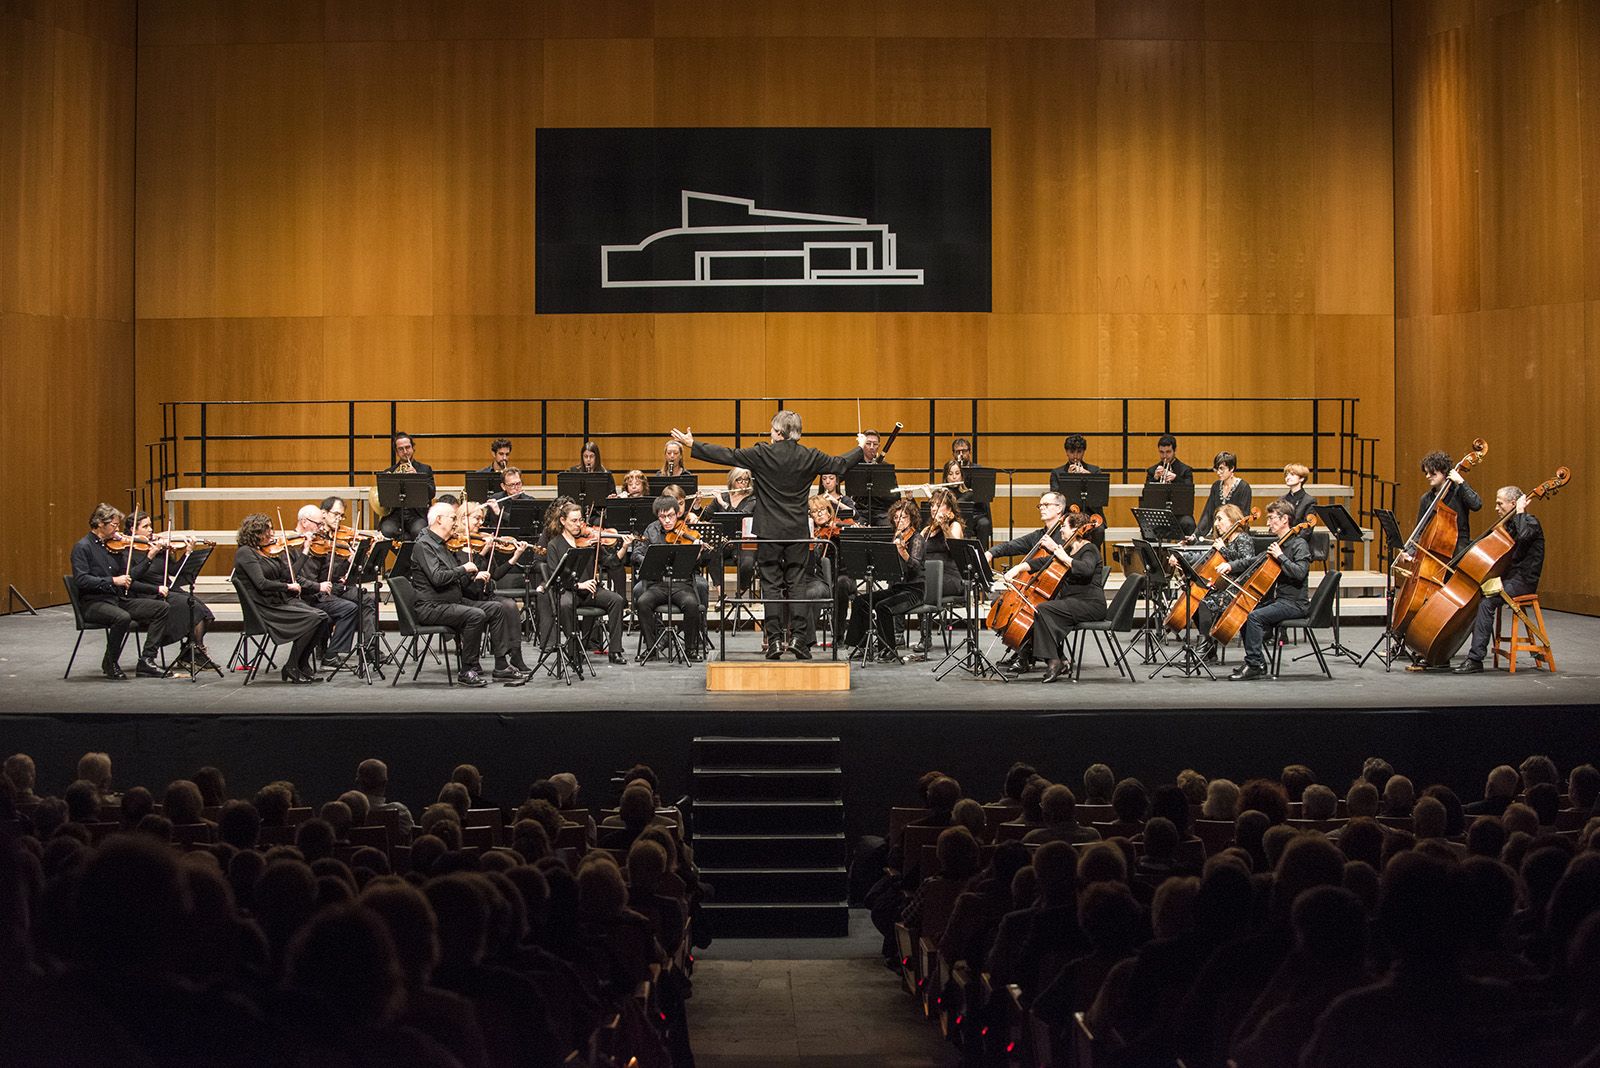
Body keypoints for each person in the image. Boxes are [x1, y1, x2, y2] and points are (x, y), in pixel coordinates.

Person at [674, 410, 864, 659]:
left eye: (773, 429)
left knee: (771, 586)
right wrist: (860, 448)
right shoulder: (810, 455)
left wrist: (693, 445)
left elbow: (728, 455)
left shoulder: (763, 453)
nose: (771, 433)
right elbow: (840, 464)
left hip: (769, 531)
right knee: (797, 584)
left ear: (779, 432)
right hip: (797, 531)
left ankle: (774, 641)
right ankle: (798, 638)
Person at [71, 503, 172, 679]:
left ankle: (147, 660)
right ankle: (110, 662)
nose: (117, 529)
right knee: (122, 617)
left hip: (116, 599)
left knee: (161, 608)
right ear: (100, 523)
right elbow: (81, 580)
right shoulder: (83, 547)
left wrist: (149, 557)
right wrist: (112, 580)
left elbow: (129, 577)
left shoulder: (112, 546)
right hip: (94, 602)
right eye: (114, 525)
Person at [233, 512, 333, 683]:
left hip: (279, 601)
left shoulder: (267, 551)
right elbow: (261, 583)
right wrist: (287, 587)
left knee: (323, 618)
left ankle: (301, 664)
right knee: (313, 617)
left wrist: (305, 550)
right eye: (268, 530)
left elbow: (290, 574)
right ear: (255, 532)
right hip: (265, 608)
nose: (273, 533)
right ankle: (292, 666)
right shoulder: (245, 553)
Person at [1455, 486, 1543, 674]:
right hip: (1509, 578)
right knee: (1477, 593)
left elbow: (1525, 536)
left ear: (1513, 503)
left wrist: (1520, 510)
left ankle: (1475, 659)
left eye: (1499, 503)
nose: (1496, 508)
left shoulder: (1530, 522)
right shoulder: (1510, 526)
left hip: (1523, 581)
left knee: (1487, 603)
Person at [1224, 498, 1312, 680]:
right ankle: (1257, 661)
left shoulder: (1299, 544)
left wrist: (1281, 557)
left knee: (1255, 617)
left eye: (1272, 518)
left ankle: (1254, 664)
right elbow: (1253, 560)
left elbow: (1300, 573)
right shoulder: (1279, 544)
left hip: (1295, 604)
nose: (1268, 522)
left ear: (1284, 519)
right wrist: (1230, 566)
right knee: (1244, 612)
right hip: (1281, 601)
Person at [124, 509, 218, 674]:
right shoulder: (128, 551)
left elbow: (175, 570)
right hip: (149, 593)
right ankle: (190, 653)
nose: (151, 530)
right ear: (133, 529)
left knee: (204, 611)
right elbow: (133, 577)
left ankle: (191, 651)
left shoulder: (157, 547)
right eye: (145, 526)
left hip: (169, 589)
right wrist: (150, 556)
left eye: (150, 526)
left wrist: (188, 552)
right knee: (192, 607)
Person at [408, 502, 492, 687]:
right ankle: (467, 670)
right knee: (475, 615)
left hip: (450, 601)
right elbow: (438, 578)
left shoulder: (444, 545)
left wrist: (471, 574)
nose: (456, 523)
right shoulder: (423, 545)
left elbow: (456, 580)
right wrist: (463, 568)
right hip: (431, 607)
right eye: (453, 518)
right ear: (439, 520)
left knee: (496, 608)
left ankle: (502, 666)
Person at [544, 498, 628, 666]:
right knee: (566, 605)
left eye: (580, 520)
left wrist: (624, 547)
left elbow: (611, 562)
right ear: (563, 521)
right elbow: (556, 577)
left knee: (616, 600)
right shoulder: (555, 544)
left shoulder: (590, 542)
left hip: (590, 591)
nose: (578, 524)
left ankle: (615, 651)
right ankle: (574, 648)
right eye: (573, 521)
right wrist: (578, 585)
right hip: (568, 590)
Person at [457, 501, 535, 680]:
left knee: (510, 605)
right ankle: (482, 661)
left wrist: (515, 557)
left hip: (485, 594)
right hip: (467, 596)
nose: (480, 523)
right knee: (500, 607)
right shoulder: (456, 545)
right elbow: (463, 578)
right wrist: (482, 553)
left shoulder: (480, 541)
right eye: (476, 518)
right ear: (463, 519)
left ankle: (515, 656)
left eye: (481, 519)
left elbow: (496, 574)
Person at [1169, 503, 1254, 661]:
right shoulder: (1225, 540)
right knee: (1193, 602)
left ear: (1232, 519)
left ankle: (1204, 648)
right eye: (1215, 519)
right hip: (1222, 586)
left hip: (1236, 589)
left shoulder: (1243, 538)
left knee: (1205, 603)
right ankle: (1208, 649)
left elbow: (1247, 562)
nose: (1216, 523)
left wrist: (1223, 550)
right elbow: (1204, 556)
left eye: (1220, 519)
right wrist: (1181, 557)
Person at [843, 495, 923, 661]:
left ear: (911, 518)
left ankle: (888, 649)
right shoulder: (894, 538)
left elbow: (915, 566)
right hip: (896, 588)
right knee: (861, 601)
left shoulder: (917, 539)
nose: (900, 521)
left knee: (883, 607)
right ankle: (861, 645)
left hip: (914, 590)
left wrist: (903, 553)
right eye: (896, 517)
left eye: (904, 517)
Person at [629, 495, 709, 661]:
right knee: (642, 602)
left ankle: (690, 650)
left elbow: (703, 562)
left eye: (670, 516)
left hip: (682, 584)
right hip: (658, 584)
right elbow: (636, 554)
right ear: (657, 516)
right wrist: (650, 560)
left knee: (692, 604)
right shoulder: (651, 530)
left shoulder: (688, 530)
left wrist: (698, 552)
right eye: (662, 517)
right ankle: (651, 648)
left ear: (678, 513)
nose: (667, 520)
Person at [288, 505, 365, 669]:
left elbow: (328, 574)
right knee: (349, 608)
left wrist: (347, 563)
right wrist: (318, 586)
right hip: (302, 598)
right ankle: (329, 655)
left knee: (354, 604)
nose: (321, 527)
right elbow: (292, 577)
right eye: (317, 524)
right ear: (304, 522)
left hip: (317, 595)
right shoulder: (290, 546)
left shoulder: (318, 544)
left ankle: (328, 654)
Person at [1403, 449, 1483, 559]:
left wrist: (1461, 482)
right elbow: (1420, 529)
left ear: (1444, 472)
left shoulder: (1459, 492)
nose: (1427, 476)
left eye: (1432, 473)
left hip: (1458, 549)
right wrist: (1410, 552)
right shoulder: (1426, 499)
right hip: (1433, 550)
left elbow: (1476, 504)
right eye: (1426, 473)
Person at [1049, 434, 1105, 545]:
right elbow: (1056, 499)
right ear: (1066, 452)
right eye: (1072, 452)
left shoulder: (1094, 471)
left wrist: (1087, 476)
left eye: (1079, 452)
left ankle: (1093, 558)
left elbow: (1100, 494)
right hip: (1068, 515)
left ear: (1084, 451)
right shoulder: (1057, 473)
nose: (1075, 456)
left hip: (1090, 514)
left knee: (1099, 530)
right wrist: (1068, 478)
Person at [379, 432, 435, 541]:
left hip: (416, 514)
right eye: (401, 449)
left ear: (413, 448)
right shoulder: (389, 472)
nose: (405, 452)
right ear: (396, 452)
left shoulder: (425, 469)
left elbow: (431, 493)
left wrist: (416, 477)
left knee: (418, 531)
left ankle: (407, 552)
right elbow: (384, 500)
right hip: (396, 514)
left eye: (407, 447)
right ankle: (405, 552)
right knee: (386, 530)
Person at [1194, 451, 1252, 540]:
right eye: (1217, 469)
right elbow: (1208, 513)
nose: (1218, 472)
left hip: (1236, 535)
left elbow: (1242, 516)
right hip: (1218, 533)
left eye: (1222, 469)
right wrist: (1196, 535)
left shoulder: (1244, 487)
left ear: (1231, 468)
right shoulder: (1216, 486)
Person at [942, 458, 992, 547]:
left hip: (967, 523)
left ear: (962, 476)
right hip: (948, 522)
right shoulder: (942, 493)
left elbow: (956, 503)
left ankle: (981, 556)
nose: (954, 477)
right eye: (950, 474)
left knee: (984, 523)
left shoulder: (968, 493)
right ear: (946, 477)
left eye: (957, 473)